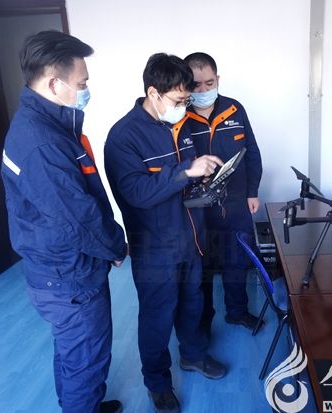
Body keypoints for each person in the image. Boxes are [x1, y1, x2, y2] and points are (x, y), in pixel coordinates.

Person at [1, 31, 127, 413]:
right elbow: (79, 219)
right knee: (86, 362)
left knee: (72, 353)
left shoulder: (42, 125)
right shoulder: (42, 143)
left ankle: (82, 405)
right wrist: (116, 246)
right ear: (55, 84)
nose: (86, 90)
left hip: (55, 268)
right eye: (82, 83)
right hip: (69, 275)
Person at [104, 53, 227, 413]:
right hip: (154, 246)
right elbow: (136, 193)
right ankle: (158, 383)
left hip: (190, 238)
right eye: (178, 100)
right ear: (153, 93)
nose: (184, 106)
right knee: (157, 318)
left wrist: (203, 177)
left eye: (187, 99)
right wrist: (185, 172)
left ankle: (193, 355)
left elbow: (182, 180)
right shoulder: (123, 137)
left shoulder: (180, 125)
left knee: (193, 304)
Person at [183, 52, 263, 335]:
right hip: (199, 207)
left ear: (218, 79)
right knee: (201, 267)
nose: (203, 90)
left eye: (209, 83)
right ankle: (203, 319)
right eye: (196, 85)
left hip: (237, 203)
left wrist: (252, 191)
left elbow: (252, 152)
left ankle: (237, 312)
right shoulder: (180, 116)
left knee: (236, 261)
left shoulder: (234, 109)